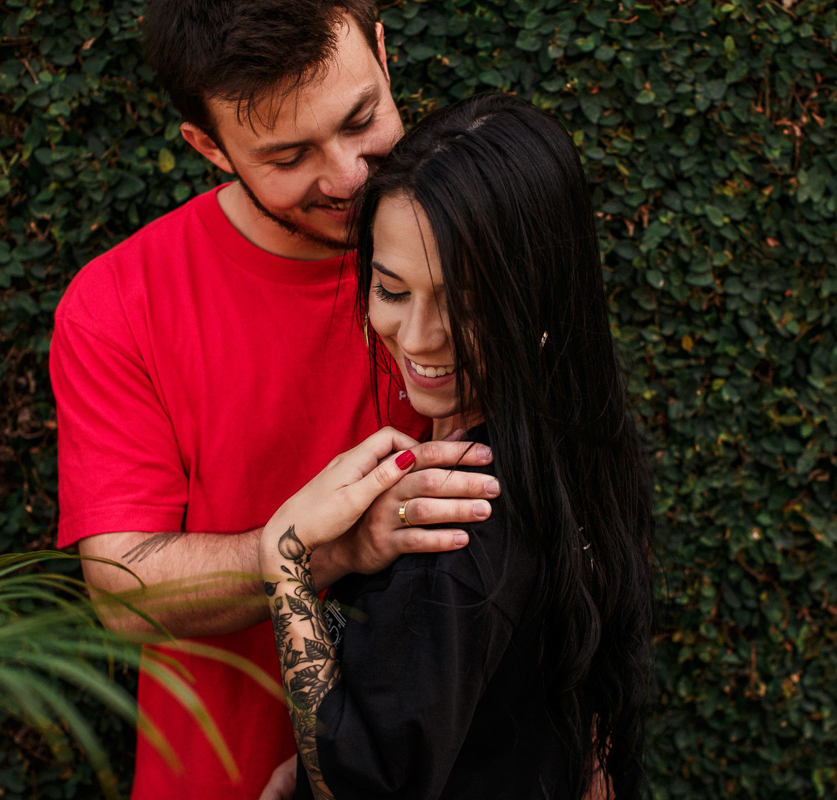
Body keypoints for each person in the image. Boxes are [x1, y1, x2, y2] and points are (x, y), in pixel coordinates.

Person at [48, 2, 499, 797]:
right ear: (209, 147)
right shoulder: (120, 303)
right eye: (289, 156)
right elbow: (123, 592)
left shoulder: (486, 234)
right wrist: (333, 547)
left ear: (382, 52)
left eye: (360, 119)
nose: (349, 175)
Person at [258, 94, 654, 800]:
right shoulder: (572, 446)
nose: (417, 338)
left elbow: (360, 789)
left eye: (465, 303)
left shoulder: (455, 533)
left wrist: (285, 558)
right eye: (391, 290)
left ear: (542, 294)